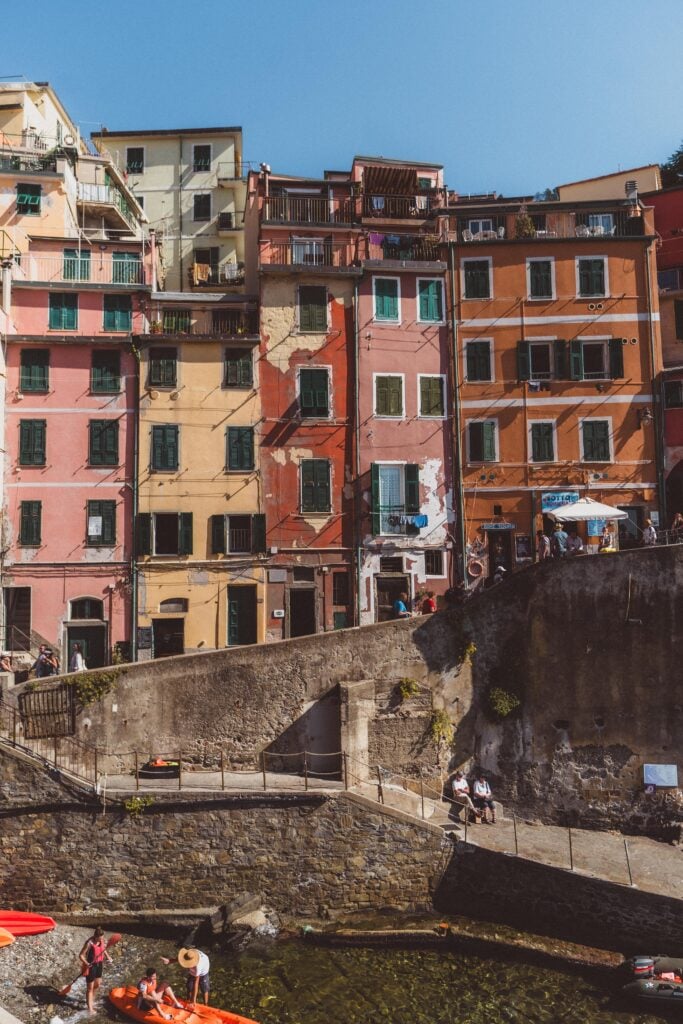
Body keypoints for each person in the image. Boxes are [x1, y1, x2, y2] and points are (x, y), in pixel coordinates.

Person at [79, 926, 113, 1014]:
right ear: (96, 937)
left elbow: (103, 949)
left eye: (103, 937)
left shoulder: (101, 940)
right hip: (90, 966)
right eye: (100, 937)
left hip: (99, 964)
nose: (102, 939)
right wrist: (87, 963)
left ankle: (91, 1000)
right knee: (90, 988)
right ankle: (90, 1009)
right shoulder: (89, 943)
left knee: (97, 984)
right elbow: (81, 955)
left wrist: (108, 956)